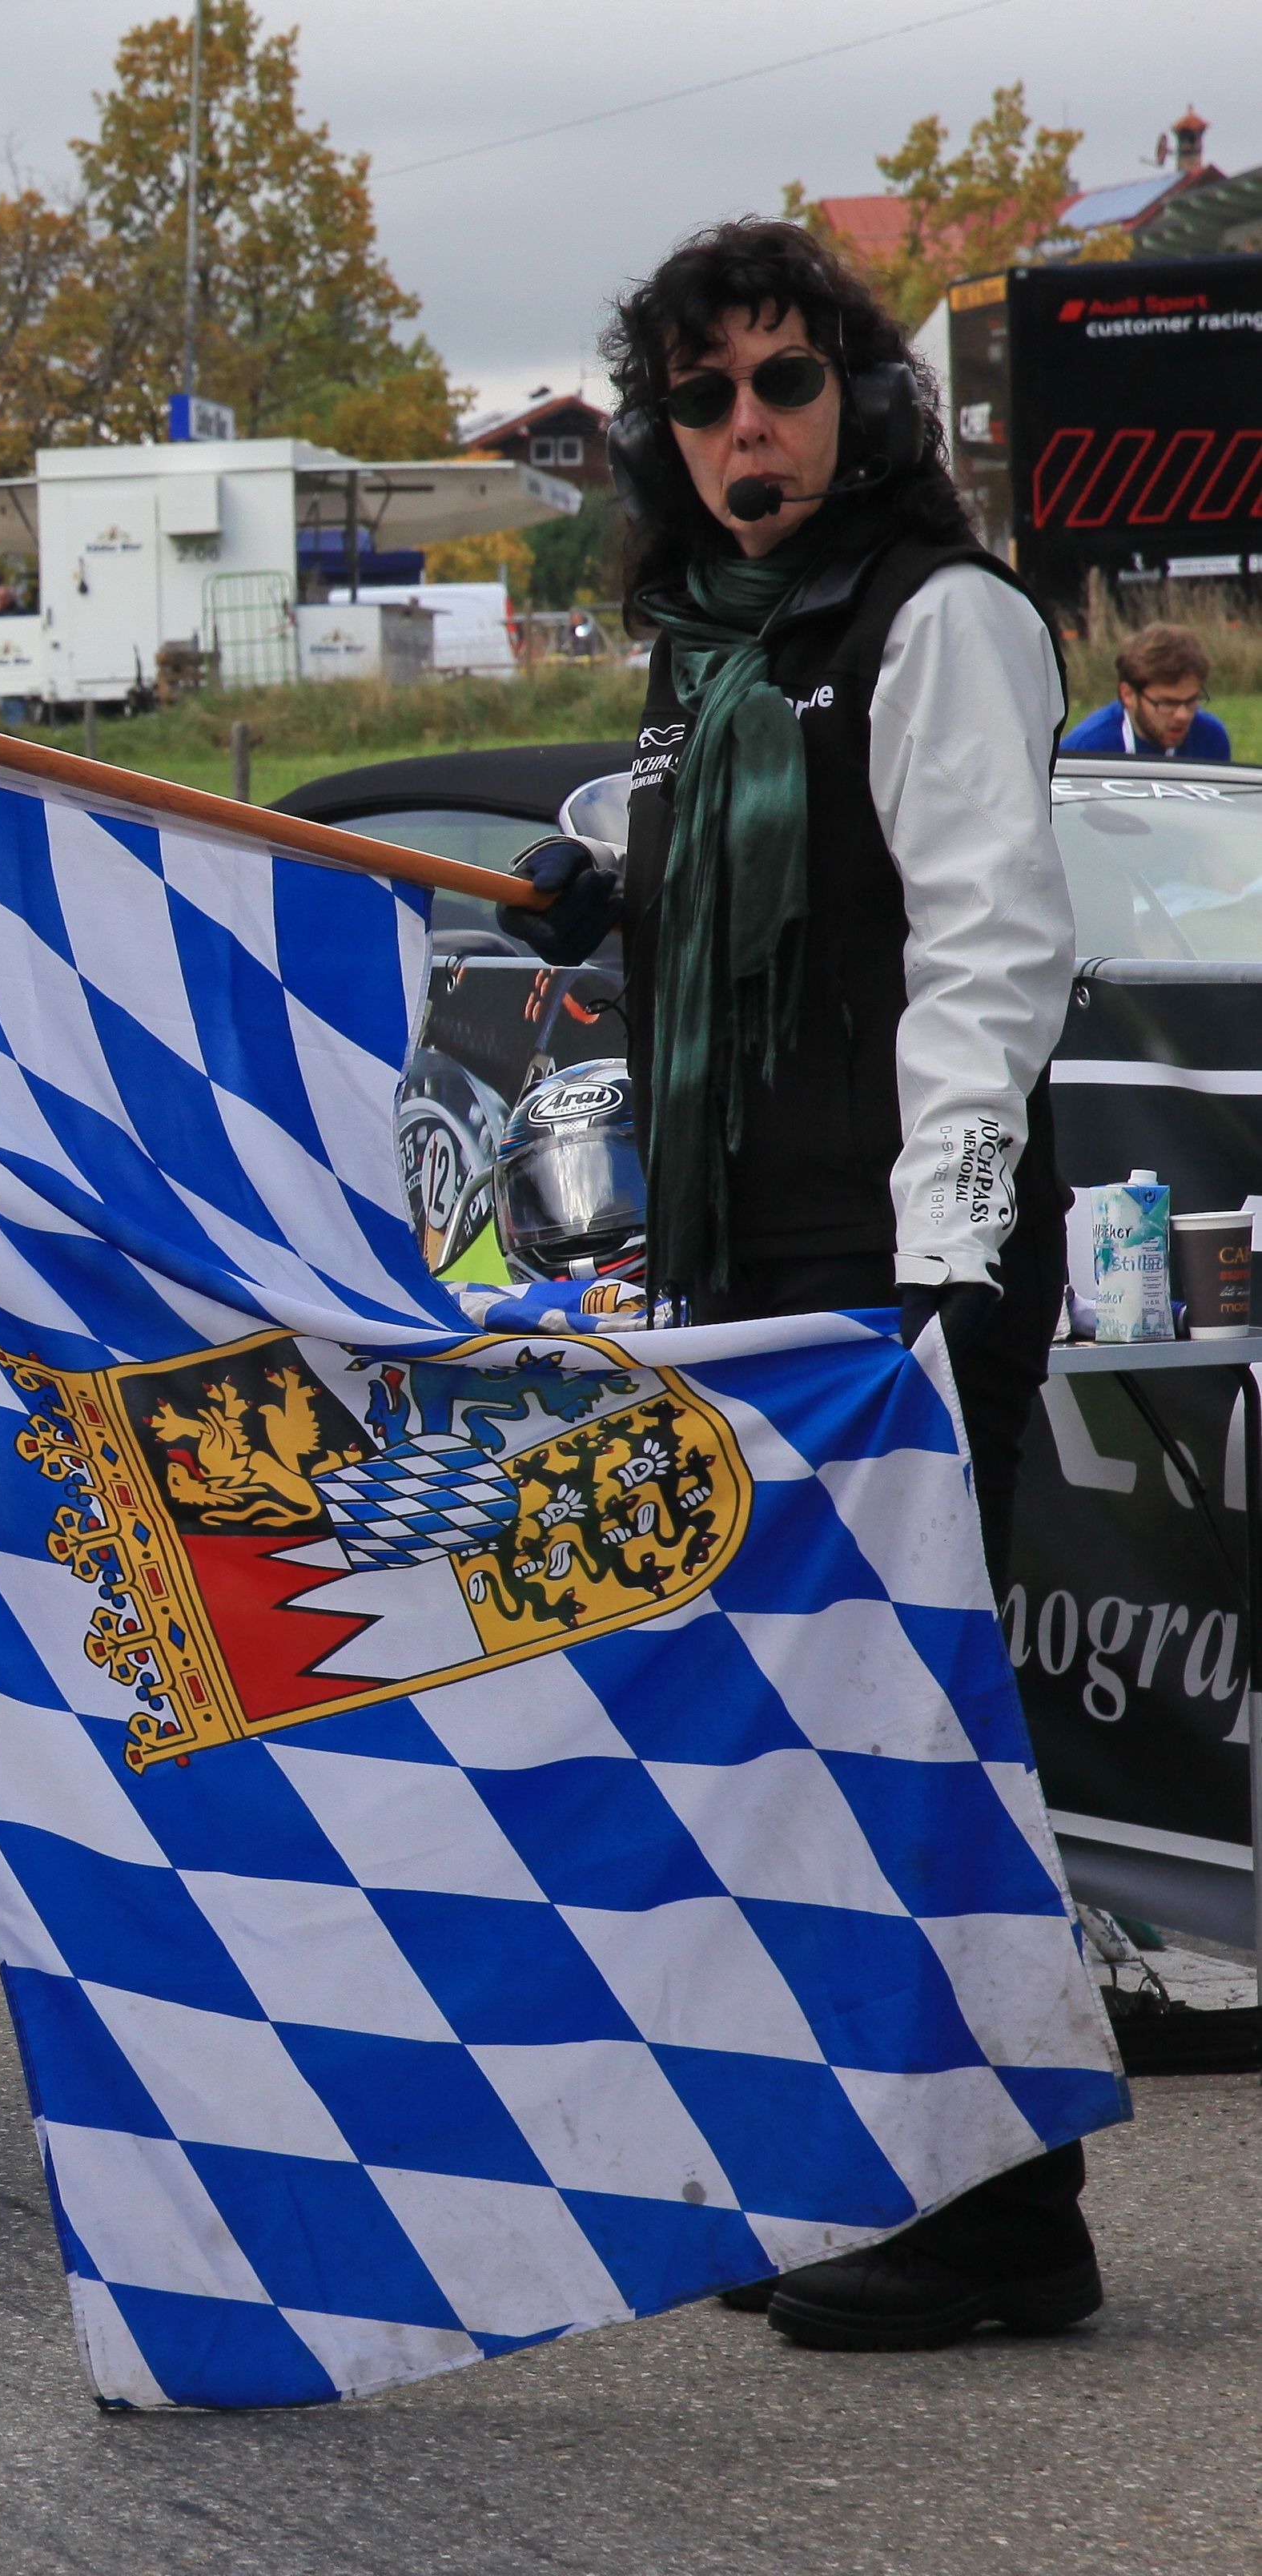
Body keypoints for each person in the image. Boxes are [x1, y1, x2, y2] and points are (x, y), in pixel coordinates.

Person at [512, 219, 1087, 2353]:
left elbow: (984, 948)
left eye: (777, 381)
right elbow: (719, 928)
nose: (742, 427)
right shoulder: (705, 651)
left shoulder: (938, 614)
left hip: (900, 1256)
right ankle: (872, 2162)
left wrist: (944, 1265)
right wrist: (600, 902)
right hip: (739, 1256)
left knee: (914, 1727)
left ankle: (1011, 2217)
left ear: (852, 390)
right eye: (698, 398)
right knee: (783, 1728)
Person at [1057, 623, 1232, 763]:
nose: (1183, 715)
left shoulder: (1211, 738)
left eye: (1192, 701)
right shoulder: (1088, 747)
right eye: (1167, 703)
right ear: (1128, 695)